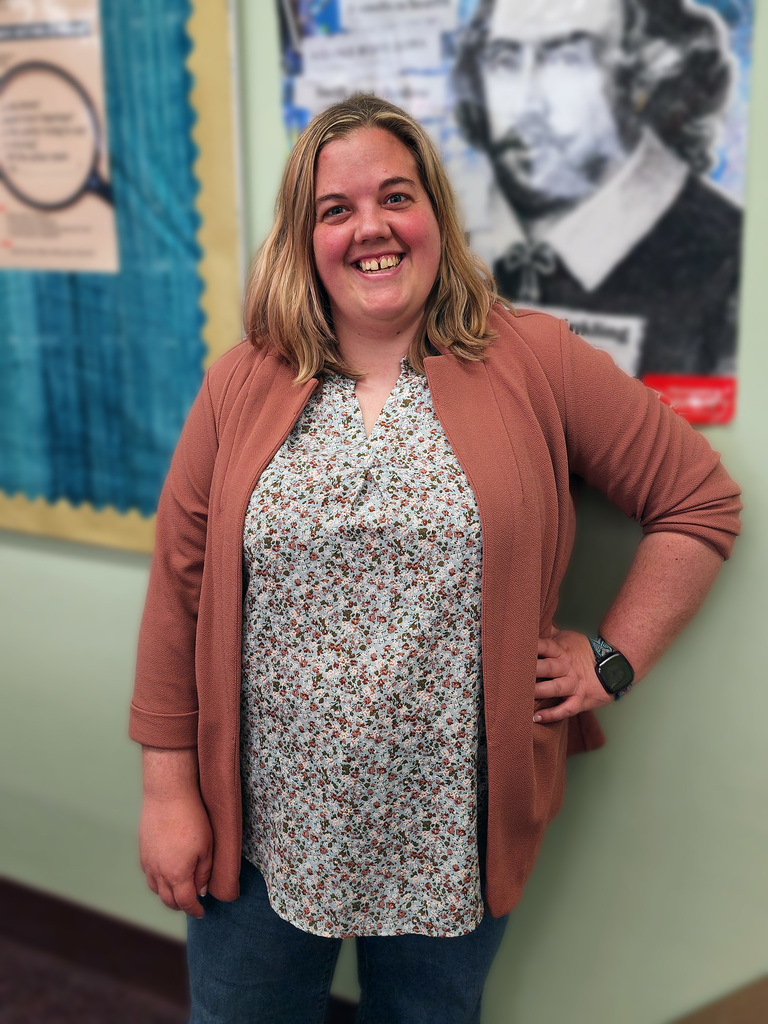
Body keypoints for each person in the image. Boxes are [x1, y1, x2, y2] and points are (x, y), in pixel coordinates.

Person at [130, 93, 741, 1023]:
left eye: (395, 197)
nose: (370, 227)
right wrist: (170, 791)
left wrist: (611, 658)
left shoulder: (534, 358)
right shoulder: (242, 382)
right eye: (336, 210)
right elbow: (179, 592)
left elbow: (699, 503)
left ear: (435, 218)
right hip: (259, 821)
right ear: (305, 237)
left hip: (452, 828)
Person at [451, 0, 742, 377]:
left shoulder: (732, 268)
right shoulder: (448, 240)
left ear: (645, 81)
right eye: (505, 61)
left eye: (567, 60)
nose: (524, 105)